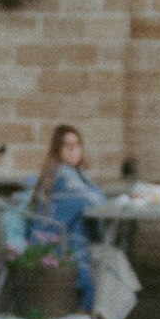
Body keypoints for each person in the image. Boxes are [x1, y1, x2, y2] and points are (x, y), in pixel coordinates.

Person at [23, 120, 102, 306]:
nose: (73, 150)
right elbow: (92, 199)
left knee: (113, 258)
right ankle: (93, 312)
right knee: (108, 260)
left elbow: (93, 196)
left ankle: (102, 315)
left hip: (66, 234)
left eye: (77, 145)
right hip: (56, 239)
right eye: (67, 145)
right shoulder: (62, 175)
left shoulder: (77, 173)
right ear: (57, 149)